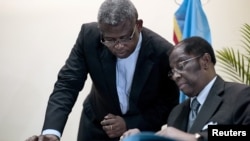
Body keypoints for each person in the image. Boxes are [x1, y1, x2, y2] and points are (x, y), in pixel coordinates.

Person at [25, 0, 180, 141]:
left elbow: (170, 103)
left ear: (138, 25)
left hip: (139, 132)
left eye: (125, 37)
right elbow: (67, 84)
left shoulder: (163, 53)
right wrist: (52, 132)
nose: (118, 45)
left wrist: (129, 123)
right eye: (110, 40)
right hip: (95, 127)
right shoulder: (89, 37)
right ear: (101, 31)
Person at [121, 36, 250, 141]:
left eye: (181, 65)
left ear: (205, 61)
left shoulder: (240, 95)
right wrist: (145, 138)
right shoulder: (177, 113)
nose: (176, 76)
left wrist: (195, 138)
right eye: (172, 71)